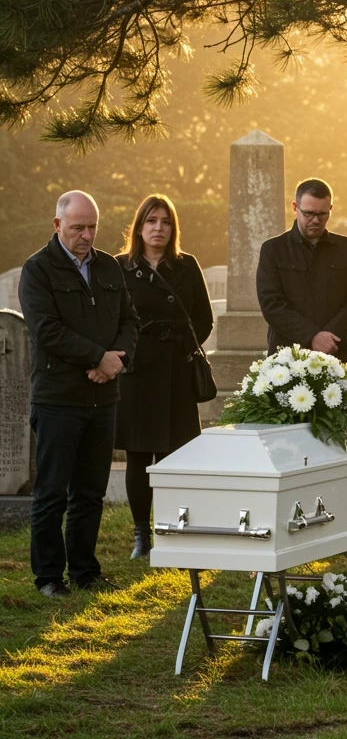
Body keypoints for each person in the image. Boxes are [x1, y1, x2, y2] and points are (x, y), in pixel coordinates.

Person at [18, 191, 140, 596]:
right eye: (77, 228)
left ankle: (85, 572)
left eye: (92, 227)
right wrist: (97, 357)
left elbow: (130, 320)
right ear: (57, 225)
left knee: (90, 492)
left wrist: (116, 361)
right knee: (52, 492)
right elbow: (46, 330)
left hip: (103, 399)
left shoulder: (108, 266)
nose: (86, 235)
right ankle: (49, 577)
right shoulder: (38, 269)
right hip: (58, 399)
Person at [115, 194, 214, 561]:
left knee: (176, 458)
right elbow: (112, 321)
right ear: (139, 227)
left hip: (178, 374)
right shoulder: (120, 268)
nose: (158, 228)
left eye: (165, 221)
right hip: (137, 374)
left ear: (173, 228)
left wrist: (183, 347)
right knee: (139, 457)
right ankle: (142, 535)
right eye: (151, 220)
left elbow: (203, 319)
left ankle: (173, 529)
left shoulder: (186, 266)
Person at [256, 178, 347, 359]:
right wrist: (312, 336)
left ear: (330, 209)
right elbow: (272, 304)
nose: (315, 220)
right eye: (308, 213)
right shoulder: (273, 249)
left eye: (322, 214)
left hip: (336, 352)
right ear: (294, 207)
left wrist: (329, 336)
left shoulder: (346, 248)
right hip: (287, 358)